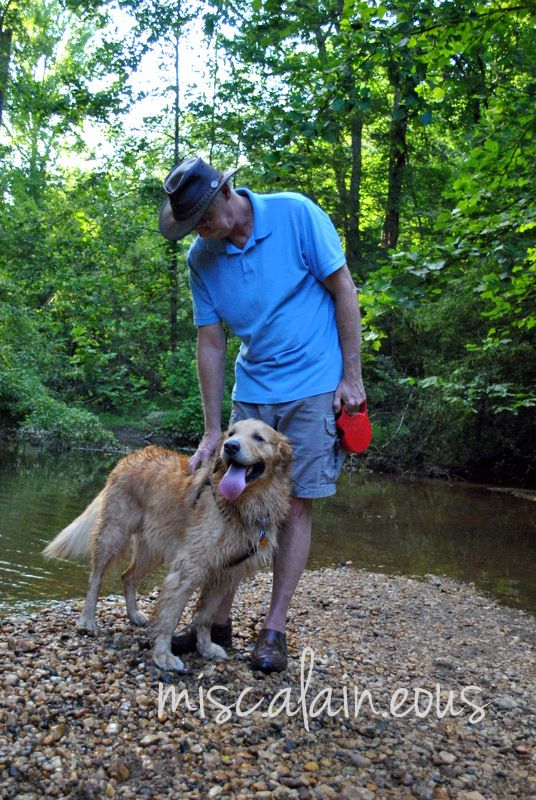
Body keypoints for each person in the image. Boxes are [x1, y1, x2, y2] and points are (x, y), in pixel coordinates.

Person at [159, 156, 366, 673]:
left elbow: (344, 290)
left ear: (227, 192)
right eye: (192, 225)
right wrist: (212, 428)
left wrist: (352, 377)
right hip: (253, 391)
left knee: (294, 505)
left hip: (315, 384)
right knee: (230, 504)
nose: (201, 231)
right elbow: (211, 341)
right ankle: (216, 620)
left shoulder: (296, 215)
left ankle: (274, 628)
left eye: (205, 218)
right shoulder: (201, 259)